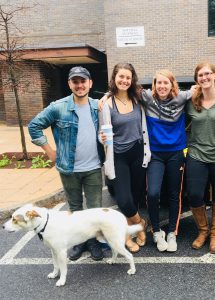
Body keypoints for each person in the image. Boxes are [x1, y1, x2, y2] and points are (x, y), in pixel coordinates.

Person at [28, 66, 105, 261]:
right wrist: (49, 150)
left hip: (94, 167)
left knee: (94, 208)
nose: (80, 85)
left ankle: (93, 241)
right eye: (75, 82)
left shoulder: (98, 106)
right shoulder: (58, 107)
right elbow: (34, 126)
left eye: (83, 81)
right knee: (75, 208)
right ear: (70, 84)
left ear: (90, 83)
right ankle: (79, 241)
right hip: (68, 168)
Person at [140, 70, 194, 252]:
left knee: (174, 194)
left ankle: (172, 232)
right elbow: (122, 90)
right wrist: (105, 97)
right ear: (154, 85)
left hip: (175, 154)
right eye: (158, 83)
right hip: (155, 154)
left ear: (172, 84)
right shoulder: (147, 98)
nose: (162, 86)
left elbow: (206, 86)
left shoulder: (182, 97)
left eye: (166, 83)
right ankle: (156, 230)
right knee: (153, 193)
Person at [99, 63, 151, 253]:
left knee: (135, 197)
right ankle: (140, 224)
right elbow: (101, 133)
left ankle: (128, 234)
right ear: (114, 78)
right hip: (118, 156)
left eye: (128, 78)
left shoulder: (138, 98)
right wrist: (101, 137)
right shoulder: (106, 103)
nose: (124, 80)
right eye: (121, 77)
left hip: (138, 152)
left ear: (132, 80)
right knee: (124, 199)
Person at [185, 61, 215, 254]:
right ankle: (203, 231)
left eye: (207, 74)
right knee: (195, 194)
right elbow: (179, 124)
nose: (204, 78)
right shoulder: (191, 100)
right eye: (200, 75)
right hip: (196, 154)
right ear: (197, 79)